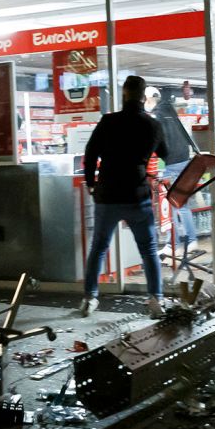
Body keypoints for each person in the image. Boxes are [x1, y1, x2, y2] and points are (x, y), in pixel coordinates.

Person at [81, 75, 169, 319]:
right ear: (144, 97)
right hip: (137, 196)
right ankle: (156, 300)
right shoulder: (152, 124)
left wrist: (91, 183)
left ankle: (89, 298)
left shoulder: (108, 121)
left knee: (98, 248)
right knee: (149, 250)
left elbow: (90, 153)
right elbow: (166, 152)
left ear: (124, 95)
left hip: (108, 195)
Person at [144, 85, 199, 258]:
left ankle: (181, 242)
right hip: (184, 161)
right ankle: (182, 242)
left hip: (172, 164)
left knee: (173, 205)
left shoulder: (158, 116)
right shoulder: (170, 111)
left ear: (149, 99)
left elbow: (156, 141)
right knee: (179, 205)